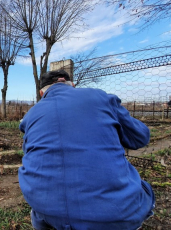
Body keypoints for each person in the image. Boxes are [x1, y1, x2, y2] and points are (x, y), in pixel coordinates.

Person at [19, 70, 155, 230]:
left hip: (47, 208)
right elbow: (140, 137)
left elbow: (31, 155)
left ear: (42, 93)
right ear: (73, 85)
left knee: (40, 209)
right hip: (115, 213)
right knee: (146, 190)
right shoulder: (101, 97)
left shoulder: (31, 115)